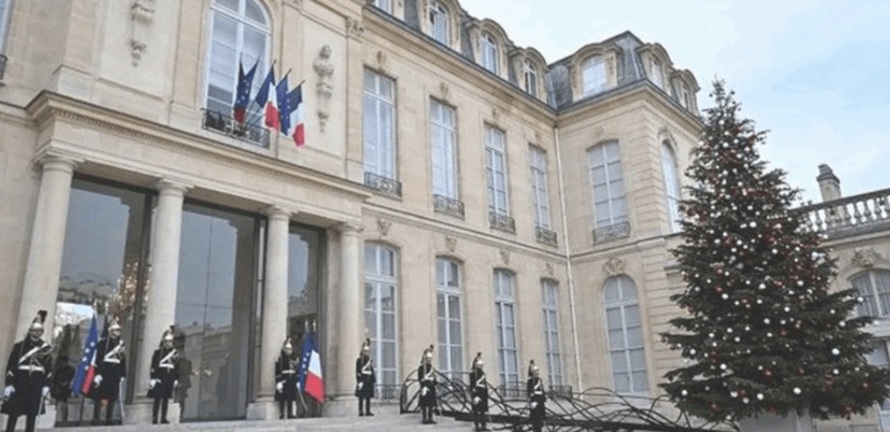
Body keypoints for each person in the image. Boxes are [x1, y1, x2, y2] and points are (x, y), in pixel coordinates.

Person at [2, 310, 53, 432]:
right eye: (34, 330)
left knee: (32, 415)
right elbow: (11, 366)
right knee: (13, 414)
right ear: (30, 331)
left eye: (39, 331)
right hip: (20, 381)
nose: (36, 333)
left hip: (36, 383)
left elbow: (48, 370)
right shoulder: (19, 347)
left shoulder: (46, 349)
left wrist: (46, 385)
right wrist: (9, 384)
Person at [88, 317, 126, 425]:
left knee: (112, 396)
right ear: (110, 331)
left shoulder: (121, 344)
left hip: (115, 372)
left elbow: (123, 360)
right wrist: (98, 373)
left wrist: (123, 374)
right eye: (116, 330)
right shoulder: (102, 343)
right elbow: (98, 359)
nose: (117, 333)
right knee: (99, 395)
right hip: (104, 370)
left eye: (118, 331)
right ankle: (96, 418)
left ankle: (109, 418)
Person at [147, 326, 178, 425]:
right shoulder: (158, 353)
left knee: (166, 399)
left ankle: (163, 417)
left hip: (169, 377)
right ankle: (154, 417)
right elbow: (153, 366)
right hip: (160, 377)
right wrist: (153, 377)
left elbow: (176, 367)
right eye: (167, 342)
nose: (168, 343)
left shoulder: (174, 353)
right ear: (164, 342)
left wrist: (176, 378)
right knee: (157, 398)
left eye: (170, 342)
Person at [275, 337, 298, 419]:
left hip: (292, 380)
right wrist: (278, 382)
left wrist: (297, 381)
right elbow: (278, 372)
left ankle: (291, 413)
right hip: (284, 380)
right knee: (282, 398)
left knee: (292, 398)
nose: (288, 351)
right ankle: (281, 413)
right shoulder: (281, 360)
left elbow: (296, 371)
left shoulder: (294, 359)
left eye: (290, 349)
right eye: (287, 349)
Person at [468, 352, 489, 431]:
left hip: (483, 393)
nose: (480, 364)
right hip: (476, 393)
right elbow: (472, 385)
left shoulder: (482, 373)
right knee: (476, 411)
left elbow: (484, 383)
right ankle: (477, 426)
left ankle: (483, 425)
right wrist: (474, 394)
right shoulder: (473, 373)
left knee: (483, 410)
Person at [354, 338, 375, 417]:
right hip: (362, 380)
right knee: (361, 397)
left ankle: (368, 411)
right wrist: (359, 381)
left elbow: (371, 370)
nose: (367, 353)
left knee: (368, 397)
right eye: (365, 351)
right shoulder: (359, 360)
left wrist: (373, 378)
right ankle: (360, 411)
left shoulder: (369, 360)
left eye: (368, 351)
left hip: (368, 380)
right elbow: (358, 371)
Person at [417, 345, 437, 425]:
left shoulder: (431, 367)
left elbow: (434, 378)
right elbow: (420, 379)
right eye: (427, 358)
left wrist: (433, 381)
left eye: (430, 358)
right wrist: (424, 382)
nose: (429, 360)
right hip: (425, 387)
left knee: (431, 404)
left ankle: (430, 417)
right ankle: (424, 418)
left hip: (431, 387)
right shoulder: (421, 368)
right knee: (424, 404)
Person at [526, 360, 546, 432]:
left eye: (537, 371)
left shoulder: (540, 380)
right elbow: (529, 392)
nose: (537, 372)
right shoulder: (530, 381)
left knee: (539, 422)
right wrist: (531, 401)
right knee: (535, 422)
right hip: (533, 403)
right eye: (535, 371)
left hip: (539, 403)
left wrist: (538, 401)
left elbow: (542, 393)